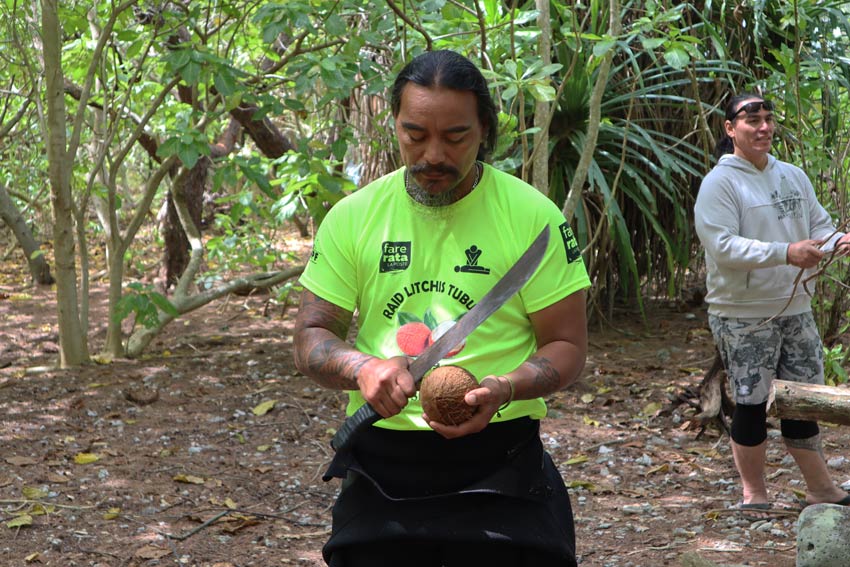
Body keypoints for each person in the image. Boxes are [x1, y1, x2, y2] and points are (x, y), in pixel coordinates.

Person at [293, 49, 590, 566]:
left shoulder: (531, 219)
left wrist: (504, 388)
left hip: (502, 461)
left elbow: (567, 346)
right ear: (395, 125)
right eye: (415, 134)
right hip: (383, 463)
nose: (434, 154)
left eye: (456, 137)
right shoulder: (353, 218)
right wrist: (363, 368)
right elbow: (311, 337)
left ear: (485, 131)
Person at [694, 93, 850, 515]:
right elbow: (723, 247)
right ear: (730, 129)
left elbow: (819, 226)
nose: (762, 127)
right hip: (743, 313)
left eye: (768, 119)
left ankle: (821, 489)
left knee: (802, 399)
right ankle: (754, 494)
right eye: (751, 121)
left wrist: (839, 242)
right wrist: (786, 252)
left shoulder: (792, 176)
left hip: (796, 307)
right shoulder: (719, 184)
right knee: (751, 401)